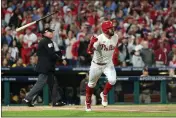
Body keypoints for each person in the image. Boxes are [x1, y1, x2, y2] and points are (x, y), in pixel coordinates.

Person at [23, 28, 66, 107]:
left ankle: (56, 101)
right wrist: (60, 60)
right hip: (45, 67)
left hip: (47, 67)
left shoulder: (45, 41)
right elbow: (51, 54)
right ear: (45, 33)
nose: (52, 33)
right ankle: (27, 98)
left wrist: (59, 57)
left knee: (53, 83)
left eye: (52, 32)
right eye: (50, 32)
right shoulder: (46, 41)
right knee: (40, 84)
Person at [85, 20, 118, 111]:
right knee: (91, 84)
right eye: (110, 28)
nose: (112, 29)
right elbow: (89, 51)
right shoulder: (99, 38)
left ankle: (104, 94)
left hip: (108, 64)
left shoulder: (116, 37)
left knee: (112, 80)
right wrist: (91, 43)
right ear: (105, 30)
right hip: (96, 65)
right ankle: (88, 103)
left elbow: (114, 49)